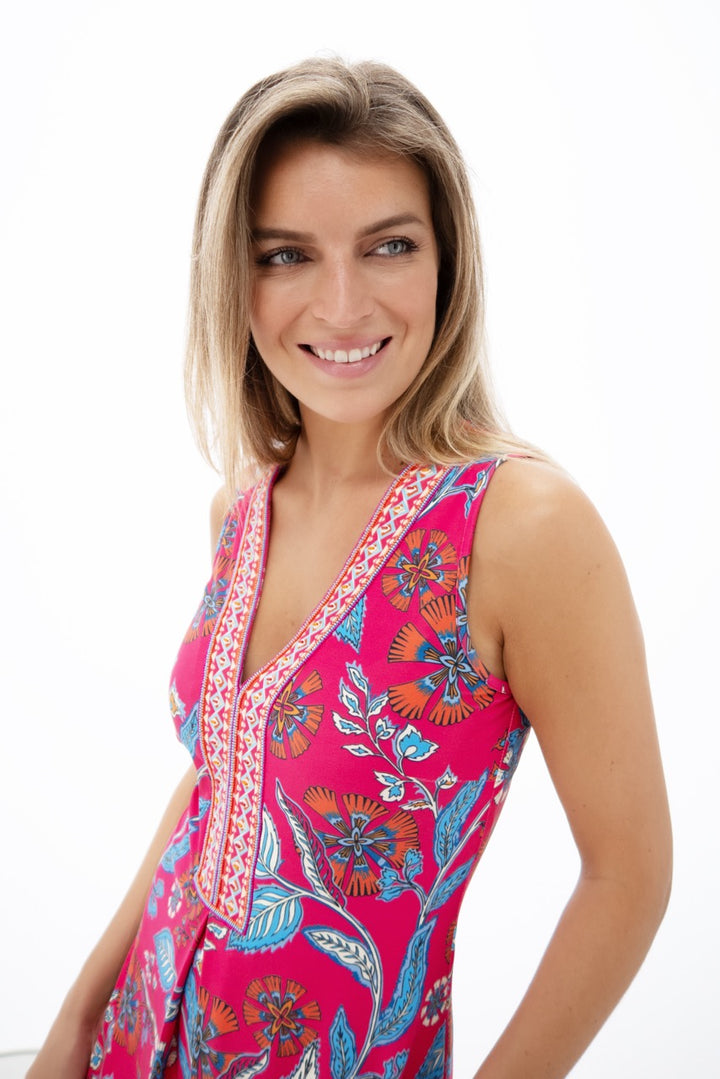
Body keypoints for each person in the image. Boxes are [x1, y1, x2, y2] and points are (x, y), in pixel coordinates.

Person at [29, 58, 672, 1079]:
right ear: (233, 277)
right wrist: (73, 1023)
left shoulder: (520, 527)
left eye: (389, 245)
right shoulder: (242, 503)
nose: (340, 303)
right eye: (286, 254)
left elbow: (628, 875)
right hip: (132, 1046)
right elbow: (223, 779)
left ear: (447, 262)